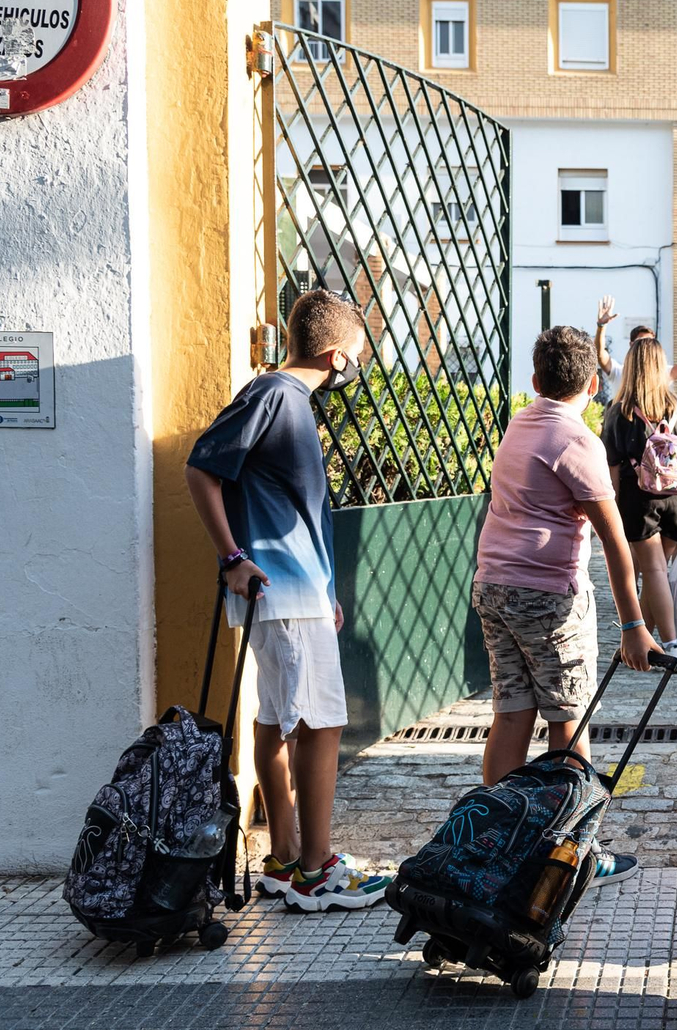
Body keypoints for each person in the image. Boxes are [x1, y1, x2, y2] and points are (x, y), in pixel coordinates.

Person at [184, 289, 392, 911]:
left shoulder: (284, 399)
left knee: (275, 723)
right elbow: (202, 468)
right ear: (334, 355)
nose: (354, 366)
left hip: (296, 591)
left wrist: (326, 589)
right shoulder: (276, 395)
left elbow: (297, 510)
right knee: (320, 725)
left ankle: (283, 858)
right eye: (355, 355)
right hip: (281, 588)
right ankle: (315, 869)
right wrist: (232, 559)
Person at [472, 325, 658, 887]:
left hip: (494, 584)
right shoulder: (576, 440)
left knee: (511, 711)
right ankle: (571, 856)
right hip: (547, 596)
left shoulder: (520, 423)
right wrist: (634, 624)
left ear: (534, 381)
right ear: (594, 383)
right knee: (570, 723)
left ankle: (490, 843)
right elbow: (614, 539)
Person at [602, 338, 677, 673]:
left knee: (654, 571)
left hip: (639, 501)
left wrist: (613, 510)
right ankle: (639, 643)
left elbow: (613, 468)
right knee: (655, 571)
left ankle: (673, 648)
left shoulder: (620, 411)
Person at [594, 297, 677, 400]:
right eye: (641, 342)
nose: (646, 347)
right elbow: (600, 354)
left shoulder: (664, 373)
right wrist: (601, 326)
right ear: (632, 345)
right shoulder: (619, 372)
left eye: (650, 342)